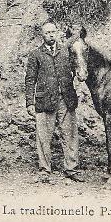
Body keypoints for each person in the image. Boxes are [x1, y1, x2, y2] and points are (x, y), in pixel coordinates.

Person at [25, 21, 83, 182]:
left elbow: (77, 66)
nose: (50, 35)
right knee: (43, 137)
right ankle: (45, 170)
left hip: (66, 99)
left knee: (70, 135)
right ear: (42, 35)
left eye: (53, 32)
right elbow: (30, 80)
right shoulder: (35, 54)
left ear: (57, 32)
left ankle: (71, 169)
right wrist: (30, 102)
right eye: (47, 33)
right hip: (44, 101)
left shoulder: (66, 51)